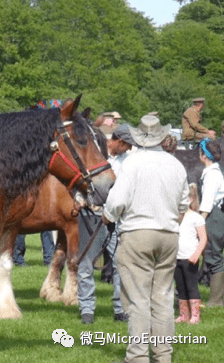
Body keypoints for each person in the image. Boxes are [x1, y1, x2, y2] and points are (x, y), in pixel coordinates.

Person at [103, 115, 189, 363]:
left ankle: (137, 357)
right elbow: (183, 204)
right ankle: (163, 356)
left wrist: (107, 217)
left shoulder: (132, 163)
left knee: (138, 300)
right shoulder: (176, 165)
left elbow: (117, 201)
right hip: (169, 234)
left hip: (137, 234)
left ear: (140, 138)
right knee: (162, 298)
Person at [78, 124, 135, 324]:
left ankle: (120, 309)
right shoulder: (94, 155)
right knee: (85, 264)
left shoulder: (129, 163)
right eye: (126, 144)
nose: (128, 148)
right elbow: (79, 179)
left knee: (120, 264)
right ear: (117, 141)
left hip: (116, 217)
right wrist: (79, 198)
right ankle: (87, 309)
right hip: (91, 214)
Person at [174, 183, 207, 324]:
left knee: (191, 286)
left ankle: (195, 315)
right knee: (180, 287)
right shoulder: (175, 217)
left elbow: (203, 238)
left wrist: (196, 254)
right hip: (176, 258)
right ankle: (184, 315)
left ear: (191, 199)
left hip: (190, 258)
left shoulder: (196, 217)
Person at [198, 138, 224, 307]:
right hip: (216, 216)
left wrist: (198, 223)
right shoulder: (214, 172)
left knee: (214, 257)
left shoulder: (212, 175)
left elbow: (207, 203)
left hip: (213, 217)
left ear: (203, 156)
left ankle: (216, 301)